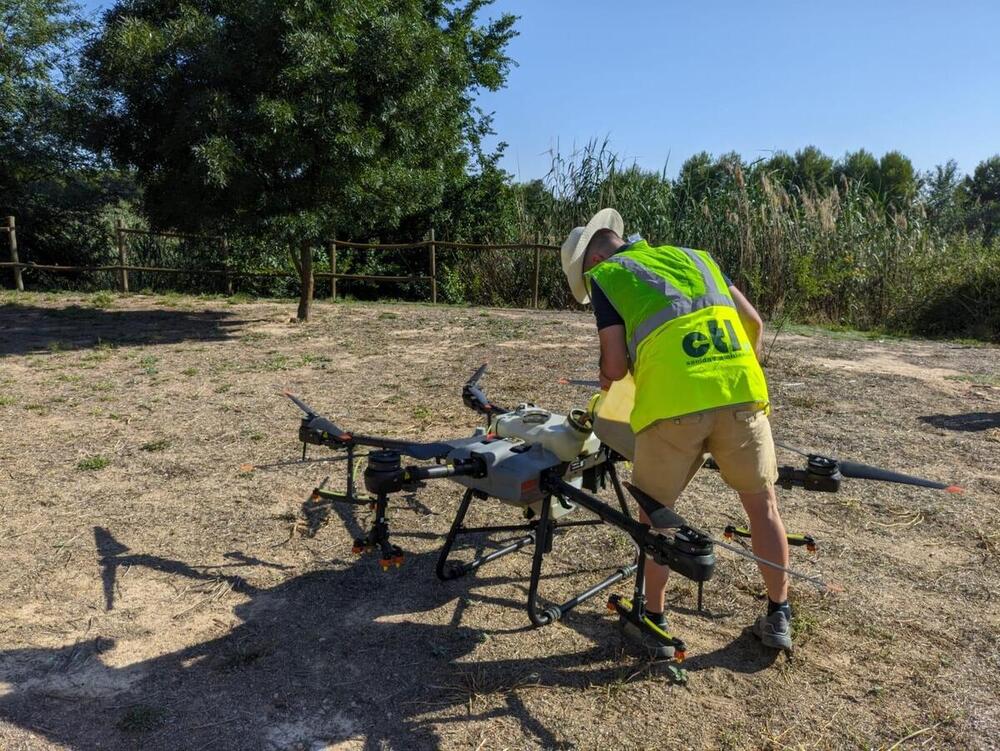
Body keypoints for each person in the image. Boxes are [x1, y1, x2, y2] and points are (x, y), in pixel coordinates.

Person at [561, 208, 794, 652]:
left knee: (657, 519)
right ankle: (778, 613)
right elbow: (754, 324)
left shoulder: (609, 276)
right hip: (740, 392)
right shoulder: (697, 257)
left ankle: (653, 618)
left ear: (590, 262)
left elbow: (613, 364)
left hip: (673, 408)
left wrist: (609, 384)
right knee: (763, 509)